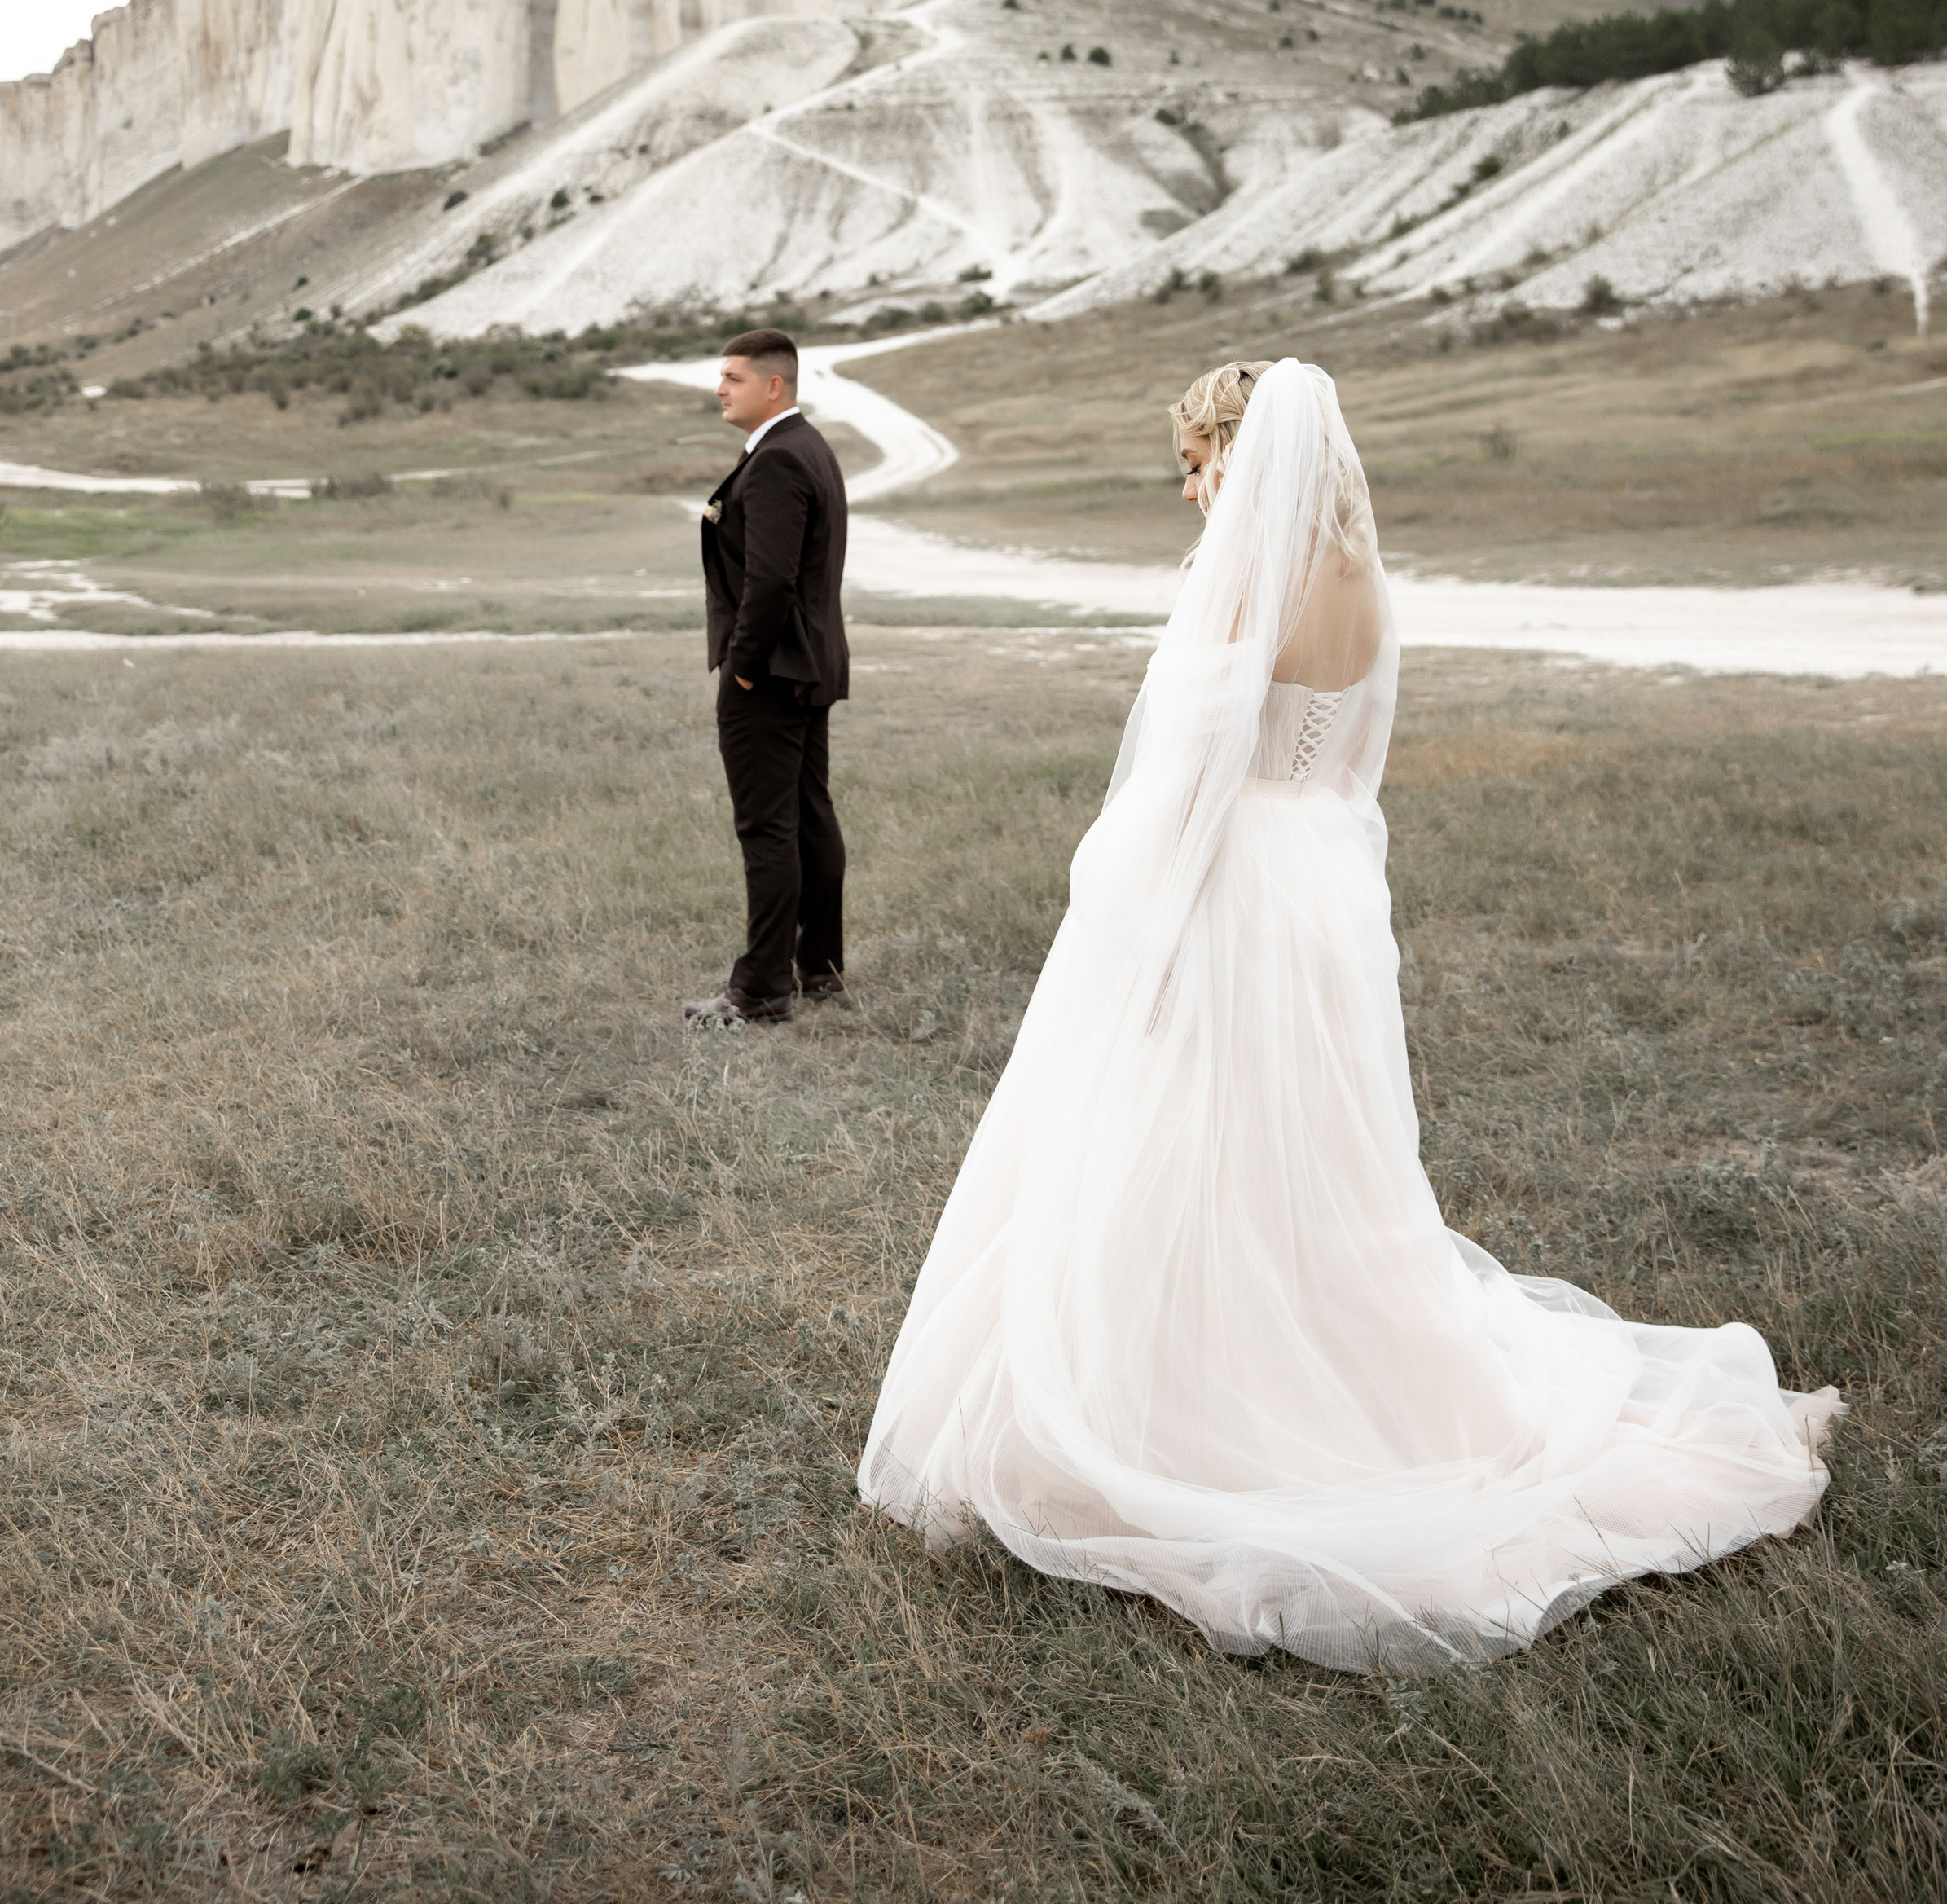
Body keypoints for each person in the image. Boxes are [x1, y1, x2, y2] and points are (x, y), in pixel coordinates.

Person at [858, 355, 1839, 1670]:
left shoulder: (1243, 585)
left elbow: (1186, 781)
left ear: (1238, 455)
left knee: (1189, 1143)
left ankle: (1197, 1416)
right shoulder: (1366, 584)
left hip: (1231, 888)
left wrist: (1124, 922)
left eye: (1197, 466)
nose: (1193, 493)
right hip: (1322, 885)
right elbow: (1354, 764)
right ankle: (1334, 1370)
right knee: (1316, 1156)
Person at [684, 326, 850, 1027]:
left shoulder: (780, 458)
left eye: (734, 377)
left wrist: (744, 668)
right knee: (808, 815)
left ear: (773, 385)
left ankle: (759, 991)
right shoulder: (806, 445)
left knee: (768, 829)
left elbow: (772, 580)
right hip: (807, 664)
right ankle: (819, 969)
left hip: (774, 671)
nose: (719, 389)